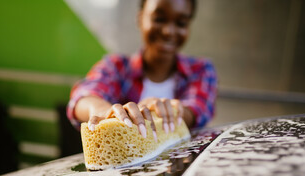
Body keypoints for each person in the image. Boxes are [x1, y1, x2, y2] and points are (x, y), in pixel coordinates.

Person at [67, 0, 217, 140]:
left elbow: (197, 109)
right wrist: (104, 111)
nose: (169, 31)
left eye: (181, 23)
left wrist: (170, 112)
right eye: (159, 19)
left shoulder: (201, 70)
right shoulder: (116, 67)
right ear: (140, 19)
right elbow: (83, 97)